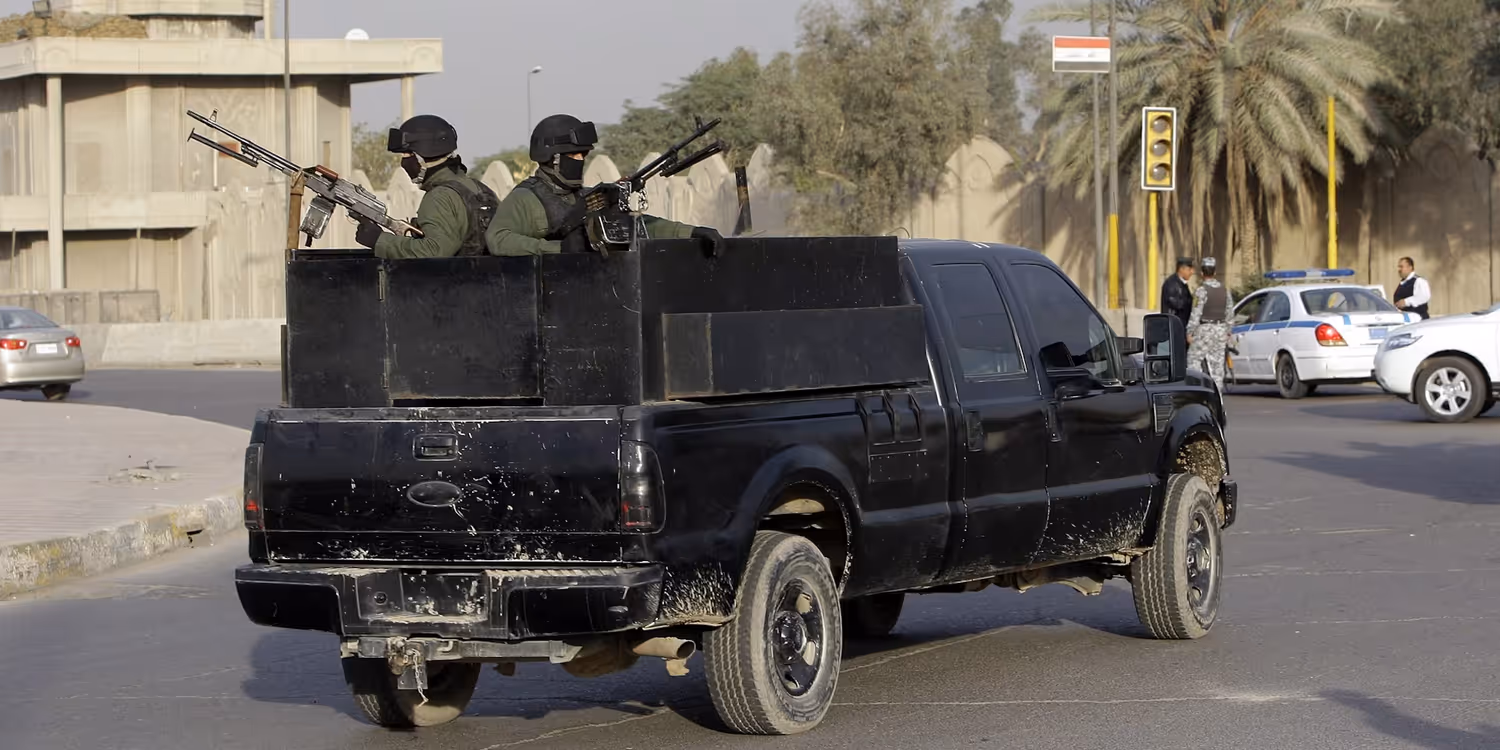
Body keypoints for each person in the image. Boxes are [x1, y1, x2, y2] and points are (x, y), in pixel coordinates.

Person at [486, 114, 724, 257]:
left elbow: (638, 227)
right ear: (554, 158)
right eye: (576, 155)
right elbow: (498, 239)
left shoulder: (587, 197)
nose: (581, 160)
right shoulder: (526, 199)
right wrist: (558, 250)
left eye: (583, 155)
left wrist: (691, 232)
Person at [354, 114, 499, 259]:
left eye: (406, 154)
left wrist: (379, 240)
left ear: (420, 155)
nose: (403, 161)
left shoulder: (439, 196)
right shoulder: (480, 189)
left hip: (453, 281)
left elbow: (433, 252)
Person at [1187, 256, 1234, 390]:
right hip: (1220, 331)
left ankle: (1197, 392)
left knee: (1193, 360)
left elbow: (1196, 313)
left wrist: (1190, 332)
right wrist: (1228, 330)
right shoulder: (1225, 290)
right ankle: (1217, 398)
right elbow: (1229, 313)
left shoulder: (1201, 291)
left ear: (1202, 273)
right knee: (1217, 368)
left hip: (1204, 330)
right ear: (1214, 272)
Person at [1160, 257, 1194, 329]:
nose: (1192, 272)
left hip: (1180, 325)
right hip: (1173, 326)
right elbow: (1177, 304)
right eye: (1189, 269)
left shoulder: (1182, 284)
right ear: (1181, 269)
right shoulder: (1171, 284)